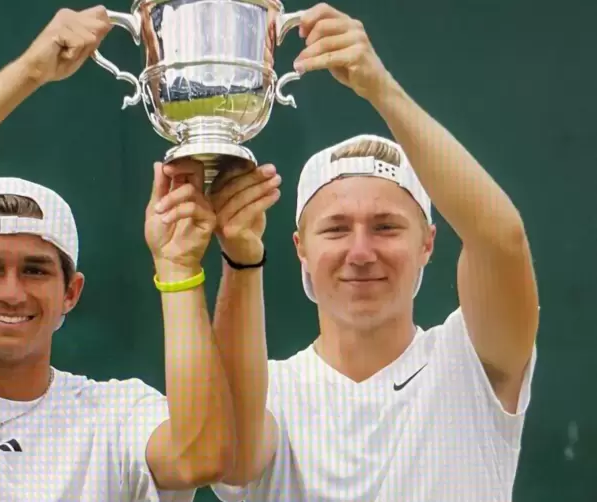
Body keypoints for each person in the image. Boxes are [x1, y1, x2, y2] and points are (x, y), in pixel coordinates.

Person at [0, 6, 257, 501]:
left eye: (36, 270)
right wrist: (29, 72)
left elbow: (201, 458)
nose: (12, 291)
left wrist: (178, 267)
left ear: (71, 292)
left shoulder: (113, 413)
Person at [207, 3, 540, 501]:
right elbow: (232, 461)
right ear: (300, 248)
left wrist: (379, 88)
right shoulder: (268, 390)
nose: (360, 252)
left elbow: (501, 241)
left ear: (428, 242)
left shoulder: (471, 363)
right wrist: (239, 256)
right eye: (336, 229)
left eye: (386, 227)